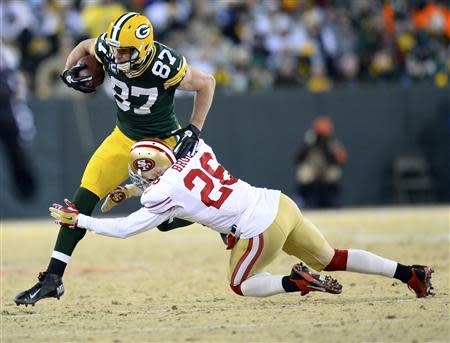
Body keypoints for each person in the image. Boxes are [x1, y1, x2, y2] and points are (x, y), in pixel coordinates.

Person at [31, 138, 433, 305]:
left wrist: (81, 219)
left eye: (142, 173)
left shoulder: (158, 191)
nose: (141, 180)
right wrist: (136, 188)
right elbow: (179, 183)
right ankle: (409, 273)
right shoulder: (197, 150)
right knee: (332, 256)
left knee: (240, 284)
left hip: (258, 227)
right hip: (278, 201)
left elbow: (125, 228)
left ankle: (296, 281)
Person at [14, 12, 216, 306]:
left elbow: (206, 82)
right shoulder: (110, 48)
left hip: (160, 145)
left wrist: (195, 129)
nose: (117, 55)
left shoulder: (165, 65)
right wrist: (68, 70)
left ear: (144, 49)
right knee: (79, 203)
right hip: (123, 138)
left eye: (125, 50)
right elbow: (85, 45)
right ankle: (53, 279)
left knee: (164, 218)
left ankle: (213, 219)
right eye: (115, 48)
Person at [0, 41, 37, 200]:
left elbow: (16, 86)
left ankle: (26, 192)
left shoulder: (6, 54)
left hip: (6, 112)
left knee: (17, 156)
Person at [294, 116, 347, 208]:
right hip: (312, 170)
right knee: (304, 172)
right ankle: (301, 200)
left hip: (326, 171)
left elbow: (341, 160)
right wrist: (309, 143)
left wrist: (327, 146)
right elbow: (297, 158)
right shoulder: (309, 140)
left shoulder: (332, 142)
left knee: (334, 172)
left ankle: (333, 200)